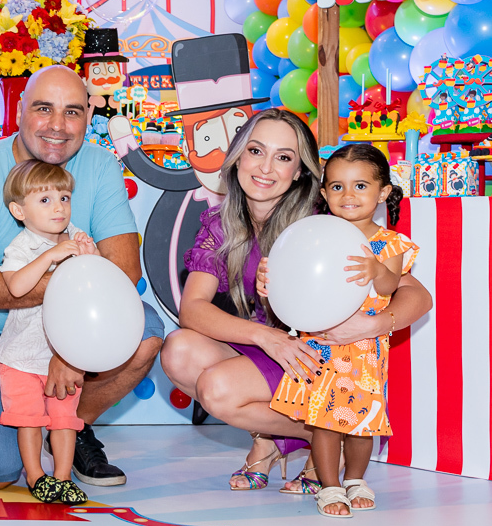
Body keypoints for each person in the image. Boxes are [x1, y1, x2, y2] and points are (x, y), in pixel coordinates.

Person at [161, 110, 434, 492]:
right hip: (274, 345)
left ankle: (310, 438)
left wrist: (373, 325)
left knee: (218, 389)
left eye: (284, 156)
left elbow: (418, 295)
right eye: (256, 150)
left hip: (320, 355)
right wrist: (267, 337)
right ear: (237, 156)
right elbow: (192, 309)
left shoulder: (326, 216)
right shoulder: (222, 222)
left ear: (301, 171)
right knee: (179, 351)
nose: (266, 167)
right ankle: (315, 436)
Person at [0, 65, 165, 491]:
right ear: (18, 111)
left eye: (72, 112)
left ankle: (71, 425)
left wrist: (70, 346)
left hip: (76, 328)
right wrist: (64, 315)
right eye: (44, 109)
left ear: (89, 117)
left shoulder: (101, 165)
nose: (57, 125)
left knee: (145, 331)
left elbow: (124, 268)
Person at [263, 144, 421, 517]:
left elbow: (389, 287)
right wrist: (269, 279)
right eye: (337, 186)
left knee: (363, 422)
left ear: (382, 192)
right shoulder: (314, 236)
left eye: (360, 186)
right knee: (324, 422)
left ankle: (355, 479)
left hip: (364, 348)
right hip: (323, 345)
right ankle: (329, 485)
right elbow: (295, 284)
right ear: (324, 192)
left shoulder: (390, 243)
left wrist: (377, 269)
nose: (348, 195)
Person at [0, 160, 97, 503]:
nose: (58, 207)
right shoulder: (21, 247)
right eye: (45, 200)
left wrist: (91, 255)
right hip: (22, 356)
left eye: (64, 198)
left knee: (64, 419)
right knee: (28, 419)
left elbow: (96, 284)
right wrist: (51, 255)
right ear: (19, 211)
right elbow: (16, 287)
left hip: (65, 353)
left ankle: (63, 477)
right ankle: (36, 476)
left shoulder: (77, 237)